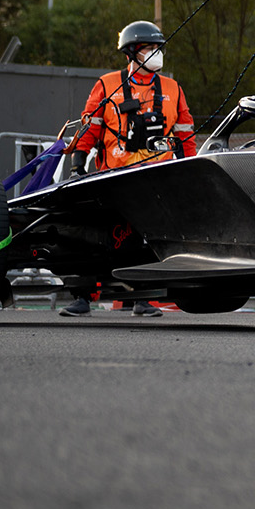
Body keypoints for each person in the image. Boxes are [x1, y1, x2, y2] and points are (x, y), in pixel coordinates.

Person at [60, 20, 196, 317]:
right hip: (113, 180)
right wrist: (76, 166)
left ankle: (142, 299)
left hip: (155, 181)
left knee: (147, 239)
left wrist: (189, 172)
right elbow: (89, 129)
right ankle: (82, 296)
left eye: (159, 48)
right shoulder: (108, 86)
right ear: (133, 52)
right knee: (96, 236)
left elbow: (185, 133)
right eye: (150, 48)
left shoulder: (173, 89)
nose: (157, 54)